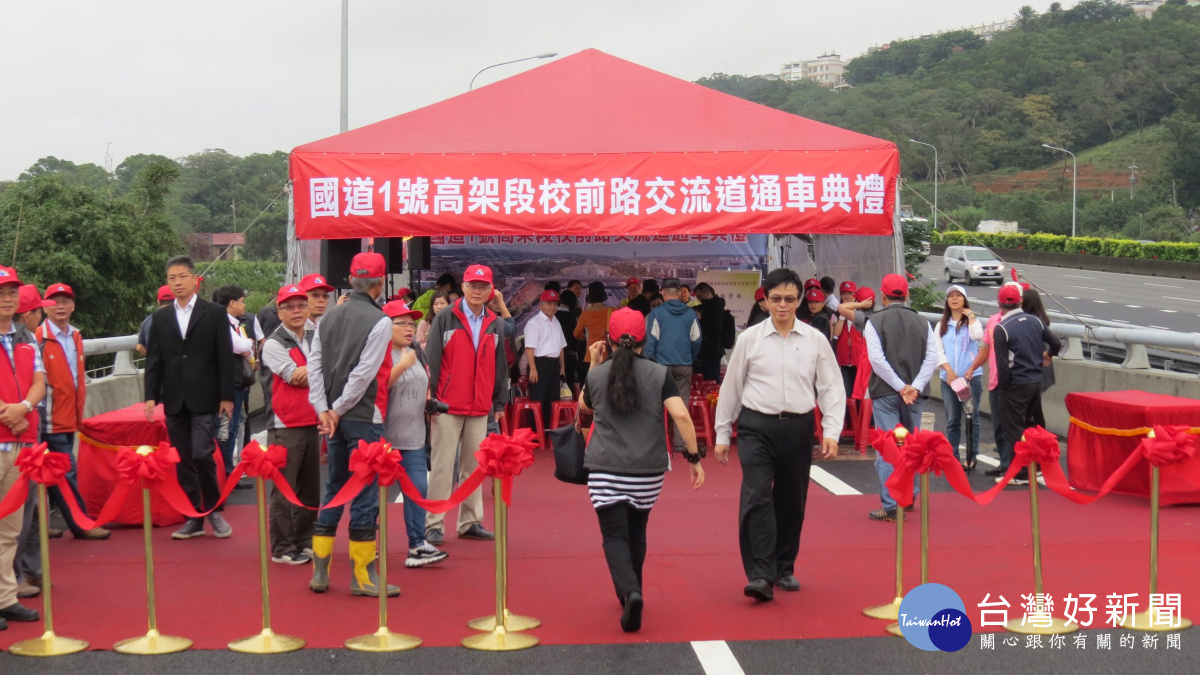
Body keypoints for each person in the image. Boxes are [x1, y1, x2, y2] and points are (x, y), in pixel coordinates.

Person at [713, 268, 844, 602]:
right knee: (756, 497)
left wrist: (831, 430)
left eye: (789, 299)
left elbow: (831, 387)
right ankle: (759, 573)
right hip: (757, 427)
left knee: (791, 501)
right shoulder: (749, 339)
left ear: (799, 300)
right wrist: (722, 433)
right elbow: (732, 387)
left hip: (799, 428)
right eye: (776, 299)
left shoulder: (815, 340)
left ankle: (784, 566)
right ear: (765, 300)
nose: (782, 305)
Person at [578, 307, 704, 632]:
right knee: (637, 531)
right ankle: (635, 590)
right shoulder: (659, 374)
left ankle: (629, 592)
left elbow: (584, 408)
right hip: (648, 471)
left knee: (614, 535)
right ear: (645, 340)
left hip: (605, 467)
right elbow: (681, 416)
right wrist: (693, 458)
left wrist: (594, 362)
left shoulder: (597, 374)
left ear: (609, 339)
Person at [307, 252, 397, 597]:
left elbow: (314, 367)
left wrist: (324, 409)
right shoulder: (380, 320)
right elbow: (365, 374)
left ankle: (321, 569)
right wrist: (339, 408)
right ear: (378, 283)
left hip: (332, 416)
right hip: (363, 415)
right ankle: (363, 576)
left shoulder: (328, 318)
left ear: (351, 280)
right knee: (365, 491)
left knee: (334, 487)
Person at [144, 255, 236, 540]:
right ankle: (193, 517)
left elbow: (224, 356)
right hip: (173, 398)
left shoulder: (214, 313)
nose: (177, 282)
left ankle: (215, 510)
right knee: (182, 459)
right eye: (172, 278)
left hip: (206, 396)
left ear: (195, 279)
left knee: (202, 453)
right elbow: (155, 360)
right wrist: (150, 395)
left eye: (182, 276)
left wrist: (227, 396)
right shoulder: (160, 317)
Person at [424, 264, 508, 545]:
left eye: (483, 287)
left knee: (474, 467)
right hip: (447, 404)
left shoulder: (494, 322)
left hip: (480, 404)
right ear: (463, 287)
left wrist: (499, 400)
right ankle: (434, 522)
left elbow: (500, 366)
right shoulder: (446, 317)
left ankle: (470, 521)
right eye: (473, 285)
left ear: (491, 291)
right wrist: (431, 397)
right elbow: (432, 360)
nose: (477, 291)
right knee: (442, 466)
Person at [36, 284, 109, 540]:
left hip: (71, 418)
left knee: (49, 473)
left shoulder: (76, 335)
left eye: (65, 301)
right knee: (66, 470)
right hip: (48, 419)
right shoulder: (38, 337)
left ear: (73, 305)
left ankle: (39, 525)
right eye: (54, 301)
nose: (60, 306)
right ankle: (80, 524)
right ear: (45, 306)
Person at [863, 274, 939, 522]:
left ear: (882, 295)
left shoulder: (874, 321)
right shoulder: (923, 322)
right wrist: (913, 387)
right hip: (914, 395)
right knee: (911, 446)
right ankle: (908, 498)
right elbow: (931, 359)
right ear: (906, 295)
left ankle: (891, 503)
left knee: (888, 449)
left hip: (885, 392)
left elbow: (877, 361)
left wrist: (899, 386)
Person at [381, 300, 449, 568]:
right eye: (402, 324)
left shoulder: (417, 353)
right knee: (372, 494)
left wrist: (429, 405)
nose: (409, 329)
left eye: (412, 324)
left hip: (414, 437)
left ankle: (417, 544)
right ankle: (366, 543)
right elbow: (377, 386)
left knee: (418, 489)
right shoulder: (380, 354)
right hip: (384, 439)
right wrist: (402, 364)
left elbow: (425, 385)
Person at [260, 284, 320, 566]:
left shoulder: (313, 336)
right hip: (285, 425)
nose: (297, 311)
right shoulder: (273, 344)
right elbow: (294, 376)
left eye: (300, 305)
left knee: (310, 489)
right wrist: (323, 370)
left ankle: (304, 539)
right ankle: (282, 546)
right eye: (289, 307)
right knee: (284, 490)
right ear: (279, 312)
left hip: (313, 421)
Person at [0, 267, 45, 629]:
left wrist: (23, 410)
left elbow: (39, 383)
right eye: (2, 292)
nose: (8, 297)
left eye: (12, 291)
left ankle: (5, 597)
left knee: (11, 528)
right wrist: (8, 413)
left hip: (21, 443)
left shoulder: (27, 337)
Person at [992, 284, 1061, 486]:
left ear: (1000, 303)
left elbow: (1003, 365)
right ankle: (1037, 466)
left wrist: (1004, 387)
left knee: (1013, 429)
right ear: (1020, 301)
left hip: (1015, 383)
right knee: (1031, 424)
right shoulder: (1035, 321)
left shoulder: (1002, 328)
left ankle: (1020, 473)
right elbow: (1056, 343)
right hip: (1035, 381)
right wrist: (1048, 355)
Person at [643, 278, 701, 452]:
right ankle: (680, 442)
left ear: (663, 292)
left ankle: (658, 442)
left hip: (661, 366)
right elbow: (697, 340)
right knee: (681, 403)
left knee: (657, 403)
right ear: (680, 292)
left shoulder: (656, 314)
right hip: (684, 364)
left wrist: (649, 362)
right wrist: (689, 357)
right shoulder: (690, 314)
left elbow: (650, 342)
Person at [933, 285, 984, 469]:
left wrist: (970, 316)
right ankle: (952, 456)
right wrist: (948, 370)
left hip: (971, 378)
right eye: (951, 296)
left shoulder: (971, 323)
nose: (954, 299)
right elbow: (937, 350)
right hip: (949, 380)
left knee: (973, 417)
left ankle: (971, 456)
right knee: (953, 418)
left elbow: (978, 336)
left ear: (964, 300)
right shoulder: (942, 325)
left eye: (958, 296)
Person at [212, 285, 256, 481]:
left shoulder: (234, 323)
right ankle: (225, 474)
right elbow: (241, 346)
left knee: (232, 427)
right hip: (229, 385)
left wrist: (247, 347)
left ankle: (227, 471)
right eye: (242, 300)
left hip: (237, 383)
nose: (244, 304)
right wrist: (247, 346)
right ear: (232, 303)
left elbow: (248, 348)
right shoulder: (222, 323)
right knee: (226, 430)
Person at [523, 290, 567, 430]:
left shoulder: (556, 322)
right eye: (549, 303)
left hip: (554, 364)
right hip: (539, 364)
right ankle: (536, 433)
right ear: (541, 305)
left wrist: (562, 366)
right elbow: (530, 348)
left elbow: (561, 346)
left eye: (555, 304)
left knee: (553, 399)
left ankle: (549, 431)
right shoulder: (534, 323)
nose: (552, 307)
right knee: (538, 400)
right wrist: (533, 369)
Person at [1022, 288, 1055, 429]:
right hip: (1040, 371)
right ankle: (1039, 441)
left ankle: (1037, 442)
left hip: (1034, 372)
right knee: (1035, 409)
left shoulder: (1032, 323)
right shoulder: (1042, 321)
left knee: (1032, 412)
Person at [574, 283, 613, 379]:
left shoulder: (585, 315)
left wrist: (582, 337)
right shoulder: (612, 311)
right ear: (603, 295)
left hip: (590, 356)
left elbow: (576, 334)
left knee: (592, 387)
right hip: (608, 355)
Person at [832, 282, 860, 398]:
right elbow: (836, 333)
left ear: (855, 295)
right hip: (844, 361)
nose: (847, 297)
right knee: (846, 394)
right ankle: (847, 416)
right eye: (843, 294)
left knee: (859, 394)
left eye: (850, 294)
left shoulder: (861, 314)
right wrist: (842, 315)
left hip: (858, 360)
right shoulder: (836, 314)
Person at [693, 283, 726, 381]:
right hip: (713, 348)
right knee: (710, 376)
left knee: (711, 378)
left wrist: (699, 322)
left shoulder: (713, 307)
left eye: (699, 296)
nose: (698, 299)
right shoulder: (715, 305)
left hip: (711, 348)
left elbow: (713, 327)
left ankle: (713, 396)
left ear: (706, 293)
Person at [137, 286, 175, 356]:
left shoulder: (148, 320)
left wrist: (153, 358)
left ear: (158, 302)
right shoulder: (180, 318)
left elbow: (139, 347)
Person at [557, 289, 581, 393]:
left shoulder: (552, 315)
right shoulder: (572, 317)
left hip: (552, 356)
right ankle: (568, 408)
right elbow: (576, 336)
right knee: (568, 384)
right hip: (569, 355)